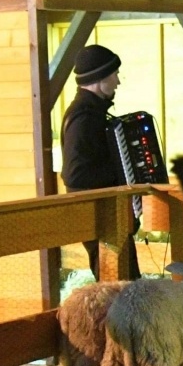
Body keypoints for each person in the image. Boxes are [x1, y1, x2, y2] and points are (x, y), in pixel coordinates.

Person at [61, 45, 139, 279]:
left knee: (126, 284)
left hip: (108, 216)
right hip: (98, 216)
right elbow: (75, 174)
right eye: (113, 75)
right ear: (99, 78)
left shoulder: (93, 114)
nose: (117, 81)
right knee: (118, 287)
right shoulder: (83, 117)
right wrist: (121, 171)